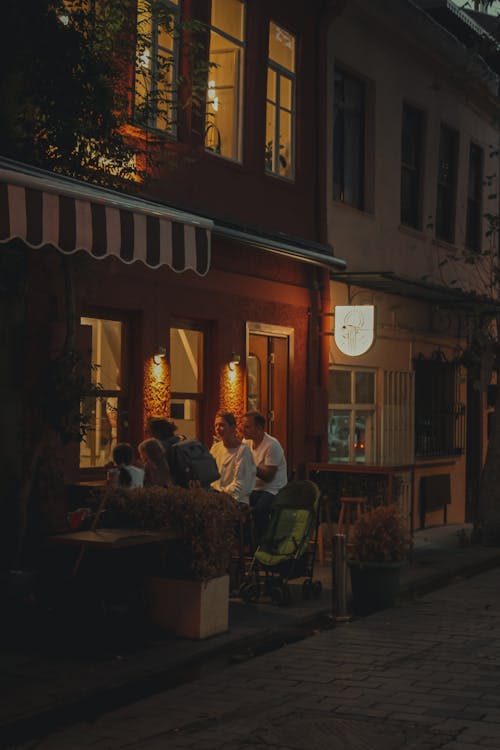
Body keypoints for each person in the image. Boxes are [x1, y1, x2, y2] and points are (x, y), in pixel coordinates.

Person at [241, 410, 288, 540]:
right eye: (242, 426)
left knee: (260, 511)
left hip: (272, 489)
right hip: (254, 488)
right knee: (234, 504)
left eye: (247, 427)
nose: (243, 430)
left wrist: (250, 466)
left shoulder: (272, 445)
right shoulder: (246, 443)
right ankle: (244, 543)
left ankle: (263, 545)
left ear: (260, 428)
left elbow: (268, 477)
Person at [210, 411, 256, 506]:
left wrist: (222, 496)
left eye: (222, 425)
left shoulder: (243, 451)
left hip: (236, 500)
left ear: (232, 427)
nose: (218, 428)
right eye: (216, 425)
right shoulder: (215, 448)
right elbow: (210, 474)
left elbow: (241, 484)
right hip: (216, 498)